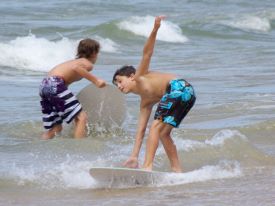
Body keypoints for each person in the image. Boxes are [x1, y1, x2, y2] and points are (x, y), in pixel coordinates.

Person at [112, 16, 196, 172]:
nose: (118, 86)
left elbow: (147, 53)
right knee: (163, 133)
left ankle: (147, 167)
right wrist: (133, 156)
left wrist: (155, 28)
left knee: (156, 127)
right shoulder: (145, 102)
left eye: (119, 81)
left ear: (131, 76)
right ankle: (177, 170)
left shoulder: (139, 77)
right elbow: (140, 131)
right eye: (116, 84)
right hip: (189, 93)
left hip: (178, 87)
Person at [39, 38, 106, 140]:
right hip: (55, 84)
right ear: (94, 53)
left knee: (56, 127)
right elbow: (76, 68)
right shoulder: (86, 63)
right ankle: (79, 148)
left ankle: (40, 143)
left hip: (44, 85)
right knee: (81, 117)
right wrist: (96, 80)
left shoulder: (74, 61)